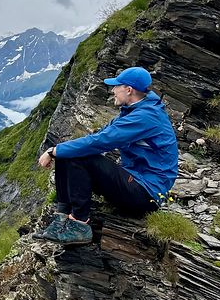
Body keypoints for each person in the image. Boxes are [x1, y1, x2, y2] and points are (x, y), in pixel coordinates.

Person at [34, 66, 178, 246]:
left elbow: (101, 142)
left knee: (79, 156)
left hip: (146, 194)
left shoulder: (146, 117)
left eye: (116, 86)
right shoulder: (133, 111)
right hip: (135, 182)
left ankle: (79, 226)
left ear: (128, 90)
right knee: (68, 153)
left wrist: (53, 150)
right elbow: (98, 137)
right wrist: (59, 151)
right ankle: (61, 220)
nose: (112, 90)